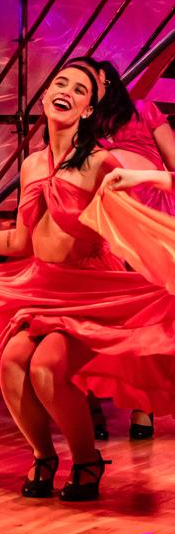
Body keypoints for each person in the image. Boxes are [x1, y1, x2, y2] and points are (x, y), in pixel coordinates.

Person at [0, 61, 175, 501]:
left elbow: (133, 224)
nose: (66, 91)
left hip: (87, 291)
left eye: (79, 89)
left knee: (46, 366)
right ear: (45, 96)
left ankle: (86, 459)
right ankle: (43, 456)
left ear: (89, 109)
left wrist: (146, 180)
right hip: (41, 286)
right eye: (60, 83)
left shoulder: (100, 162)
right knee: (12, 362)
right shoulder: (33, 164)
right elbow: (20, 242)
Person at [88, 56, 175, 440]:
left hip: (152, 218)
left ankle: (144, 407)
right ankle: (91, 404)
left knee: (151, 314)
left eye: (88, 81)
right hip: (105, 224)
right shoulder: (80, 125)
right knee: (107, 314)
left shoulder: (143, 111)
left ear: (106, 81)